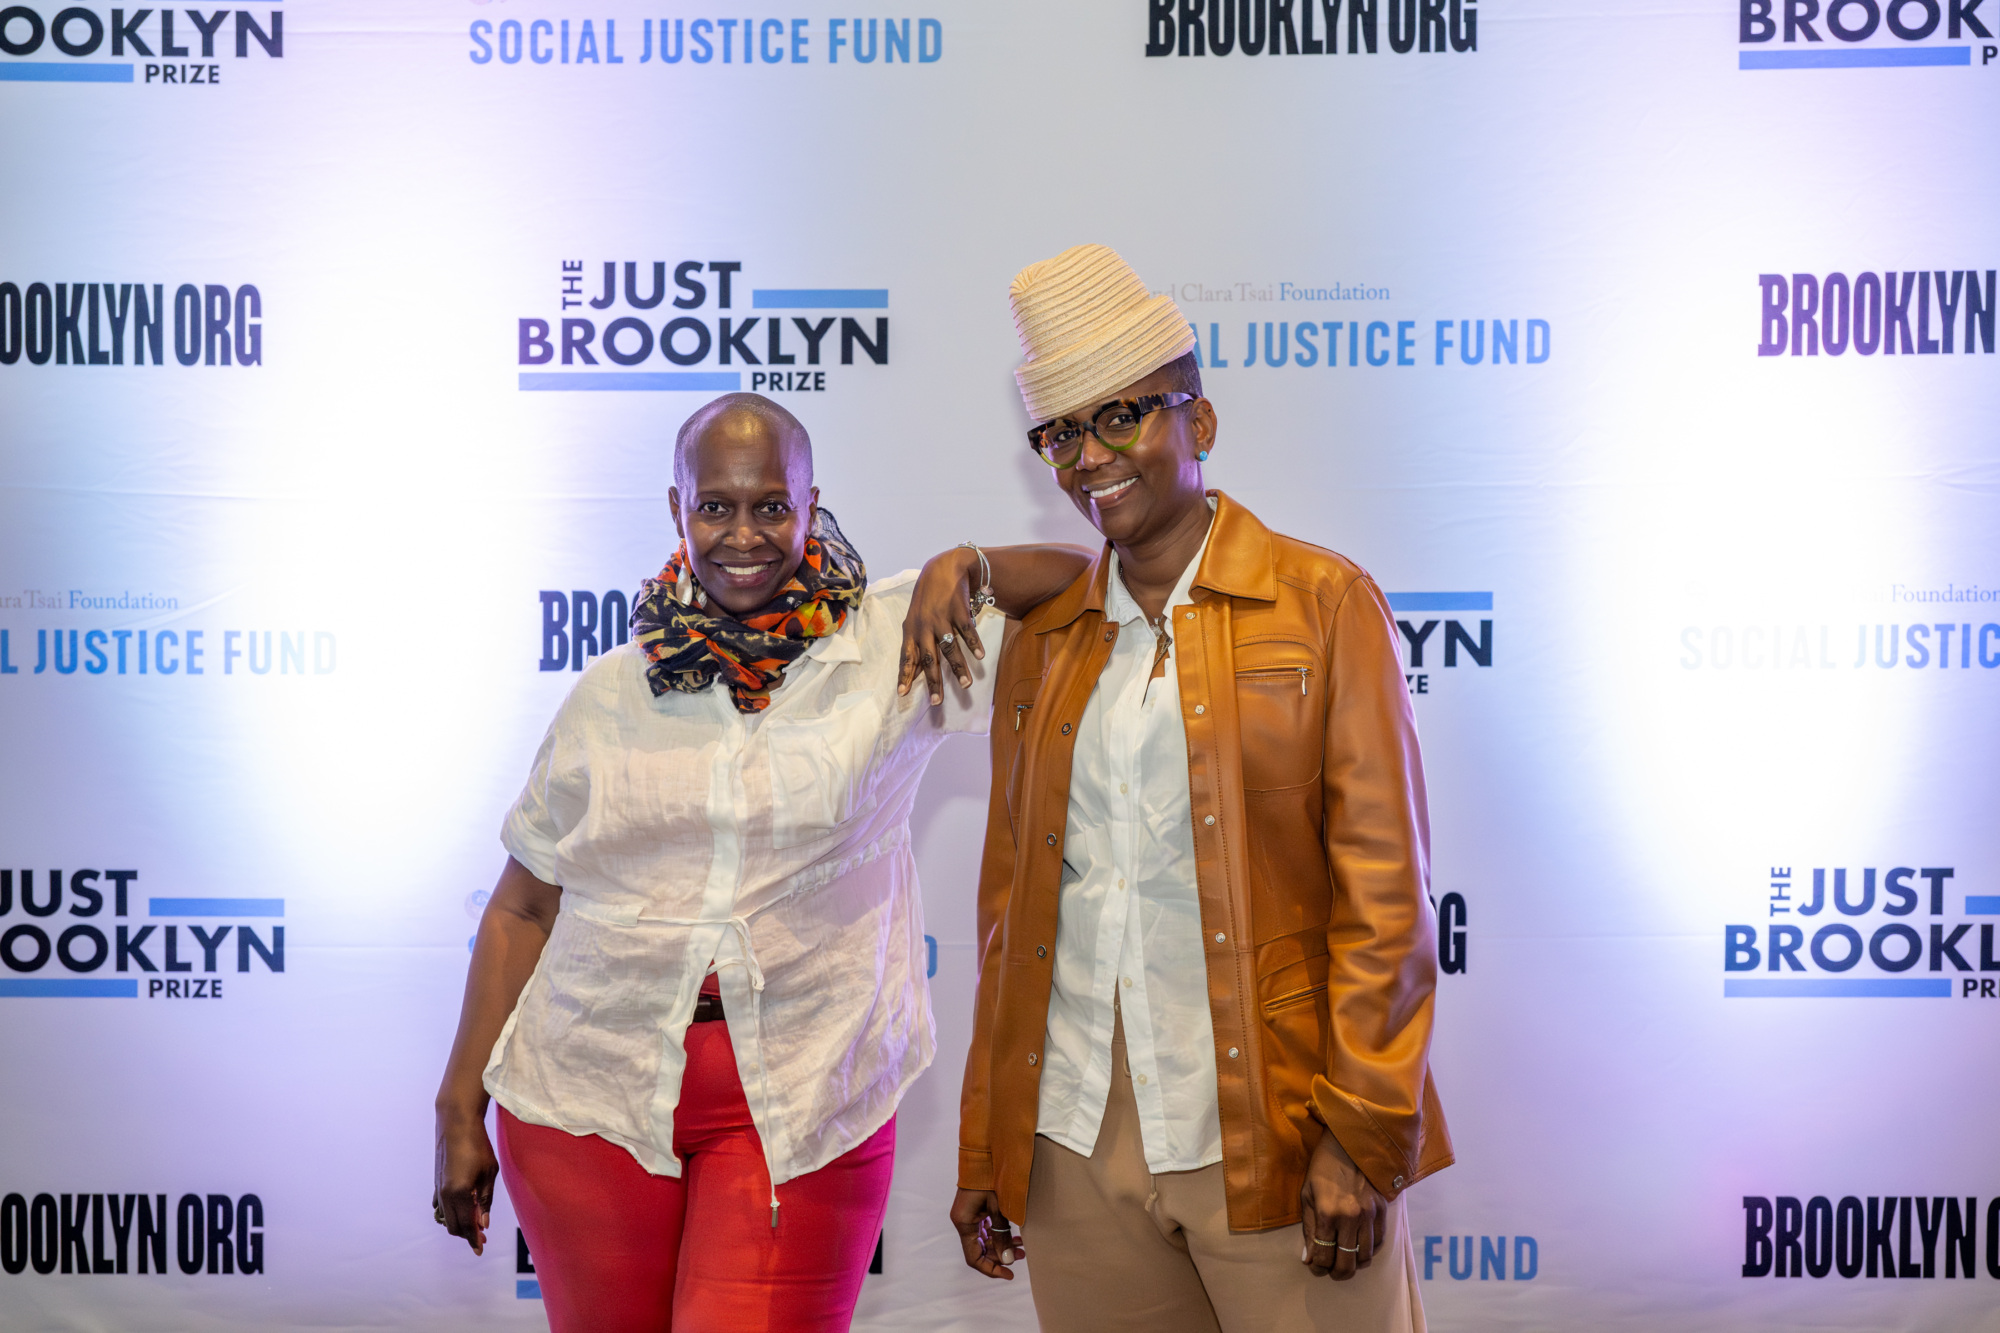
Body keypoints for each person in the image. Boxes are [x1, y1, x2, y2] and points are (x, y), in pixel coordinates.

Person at [432, 392, 1088, 1333]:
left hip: (802, 1095)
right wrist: (460, 1104)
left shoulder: (894, 648)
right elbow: (522, 908)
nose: (745, 533)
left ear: (811, 501)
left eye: (771, 506)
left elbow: (1093, 586)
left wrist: (973, 565)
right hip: (588, 1094)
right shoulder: (609, 694)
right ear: (676, 509)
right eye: (716, 506)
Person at [950, 245, 1453, 1333]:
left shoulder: (1321, 605)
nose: (1088, 458)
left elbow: (1385, 897)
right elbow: (1010, 917)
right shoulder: (1047, 645)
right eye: (1061, 434)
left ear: (1200, 422)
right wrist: (990, 1137)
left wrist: (1360, 1132)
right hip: (1075, 1139)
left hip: (1271, 1128)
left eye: (1120, 416)